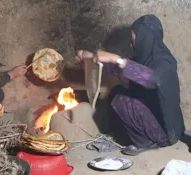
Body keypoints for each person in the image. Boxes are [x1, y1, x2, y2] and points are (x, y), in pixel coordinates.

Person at [75, 14, 185, 155]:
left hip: (165, 133)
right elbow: (116, 68)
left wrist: (116, 58)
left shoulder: (165, 62)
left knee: (122, 100)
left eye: (134, 40)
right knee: (116, 91)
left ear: (146, 40)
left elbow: (150, 78)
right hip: (151, 117)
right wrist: (90, 58)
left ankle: (146, 141)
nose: (131, 44)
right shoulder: (143, 59)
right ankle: (128, 133)